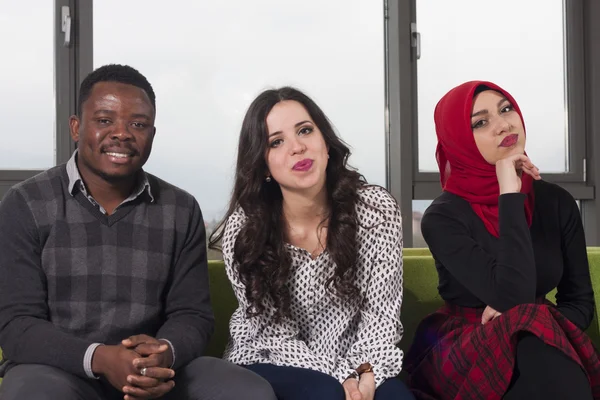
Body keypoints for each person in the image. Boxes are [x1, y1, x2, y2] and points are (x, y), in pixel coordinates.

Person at [0, 64, 276, 400]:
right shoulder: (25, 203)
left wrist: (164, 353)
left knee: (248, 391)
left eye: (138, 124)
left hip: (157, 375)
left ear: (152, 135)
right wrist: (101, 358)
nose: (121, 133)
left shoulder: (181, 209)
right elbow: (18, 326)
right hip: (61, 372)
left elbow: (192, 315)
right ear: (76, 127)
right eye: (104, 120)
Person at [209, 86, 414, 400]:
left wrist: (363, 374)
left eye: (305, 131)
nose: (297, 147)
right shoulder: (245, 228)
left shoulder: (376, 210)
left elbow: (381, 316)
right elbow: (273, 335)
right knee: (325, 394)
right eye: (276, 142)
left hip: (359, 359)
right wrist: (339, 378)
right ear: (263, 165)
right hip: (271, 356)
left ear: (326, 144)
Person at [404, 80, 600, 399]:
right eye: (480, 122)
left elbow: (579, 302)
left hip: (545, 334)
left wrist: (533, 320)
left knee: (540, 351)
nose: (503, 124)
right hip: (466, 340)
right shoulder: (442, 217)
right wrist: (509, 193)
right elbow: (513, 295)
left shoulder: (556, 202)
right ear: (458, 141)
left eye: (506, 109)